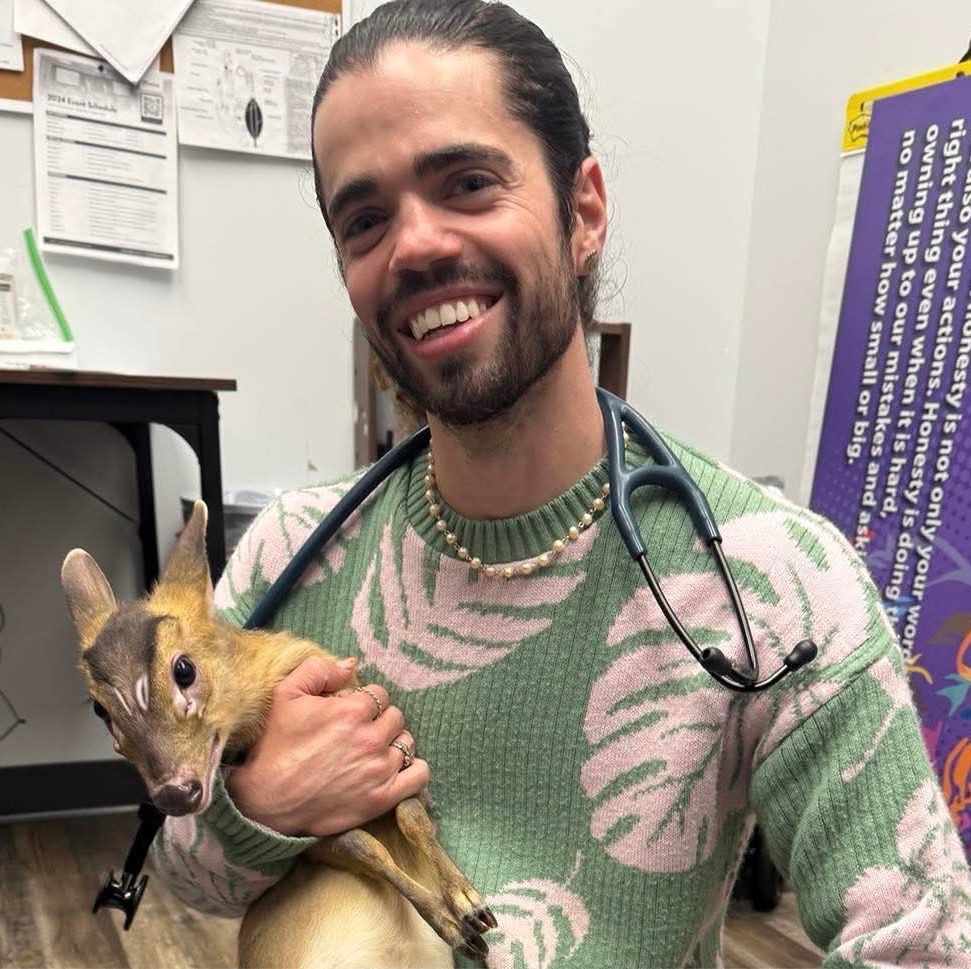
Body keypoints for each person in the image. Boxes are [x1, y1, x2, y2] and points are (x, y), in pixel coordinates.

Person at [151, 1, 971, 965]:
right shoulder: (293, 555)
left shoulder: (776, 585)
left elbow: (925, 942)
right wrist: (259, 803)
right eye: (364, 220)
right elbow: (184, 877)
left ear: (582, 212)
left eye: (467, 184)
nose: (412, 246)